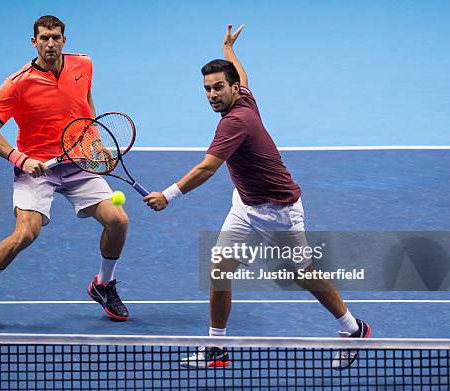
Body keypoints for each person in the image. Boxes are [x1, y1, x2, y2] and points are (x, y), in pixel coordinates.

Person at [143, 24, 370, 370]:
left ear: (231, 89)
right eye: (207, 89)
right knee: (219, 269)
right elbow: (244, 77)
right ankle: (216, 348)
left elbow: (207, 168)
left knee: (303, 274)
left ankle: (352, 328)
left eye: (218, 87)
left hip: (279, 211)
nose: (212, 95)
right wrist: (229, 49)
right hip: (245, 206)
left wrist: (169, 196)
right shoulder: (244, 94)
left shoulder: (234, 122)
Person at [0, 15, 130, 329]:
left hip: (76, 162)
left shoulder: (83, 65)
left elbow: (85, 99)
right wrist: (21, 160)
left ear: (64, 40)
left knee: (118, 221)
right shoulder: (16, 84)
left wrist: (94, 139)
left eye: (56, 37)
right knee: (26, 233)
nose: (51, 43)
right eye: (44, 38)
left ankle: (103, 284)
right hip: (37, 169)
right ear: (34, 42)